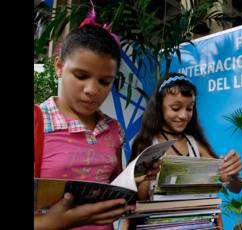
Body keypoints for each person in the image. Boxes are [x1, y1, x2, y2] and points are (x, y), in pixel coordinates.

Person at [34, 23, 161, 230]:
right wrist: (53, 222)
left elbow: (115, 193)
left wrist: (139, 177)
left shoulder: (112, 129)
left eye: (104, 81)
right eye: (81, 76)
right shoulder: (37, 122)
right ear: (58, 66)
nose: (92, 90)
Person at [129, 72, 242, 200]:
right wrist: (146, 177)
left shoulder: (195, 144)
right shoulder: (145, 144)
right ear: (159, 107)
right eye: (175, 108)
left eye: (189, 108)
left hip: (198, 219)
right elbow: (135, 201)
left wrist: (233, 173)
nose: (184, 116)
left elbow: (236, 188)